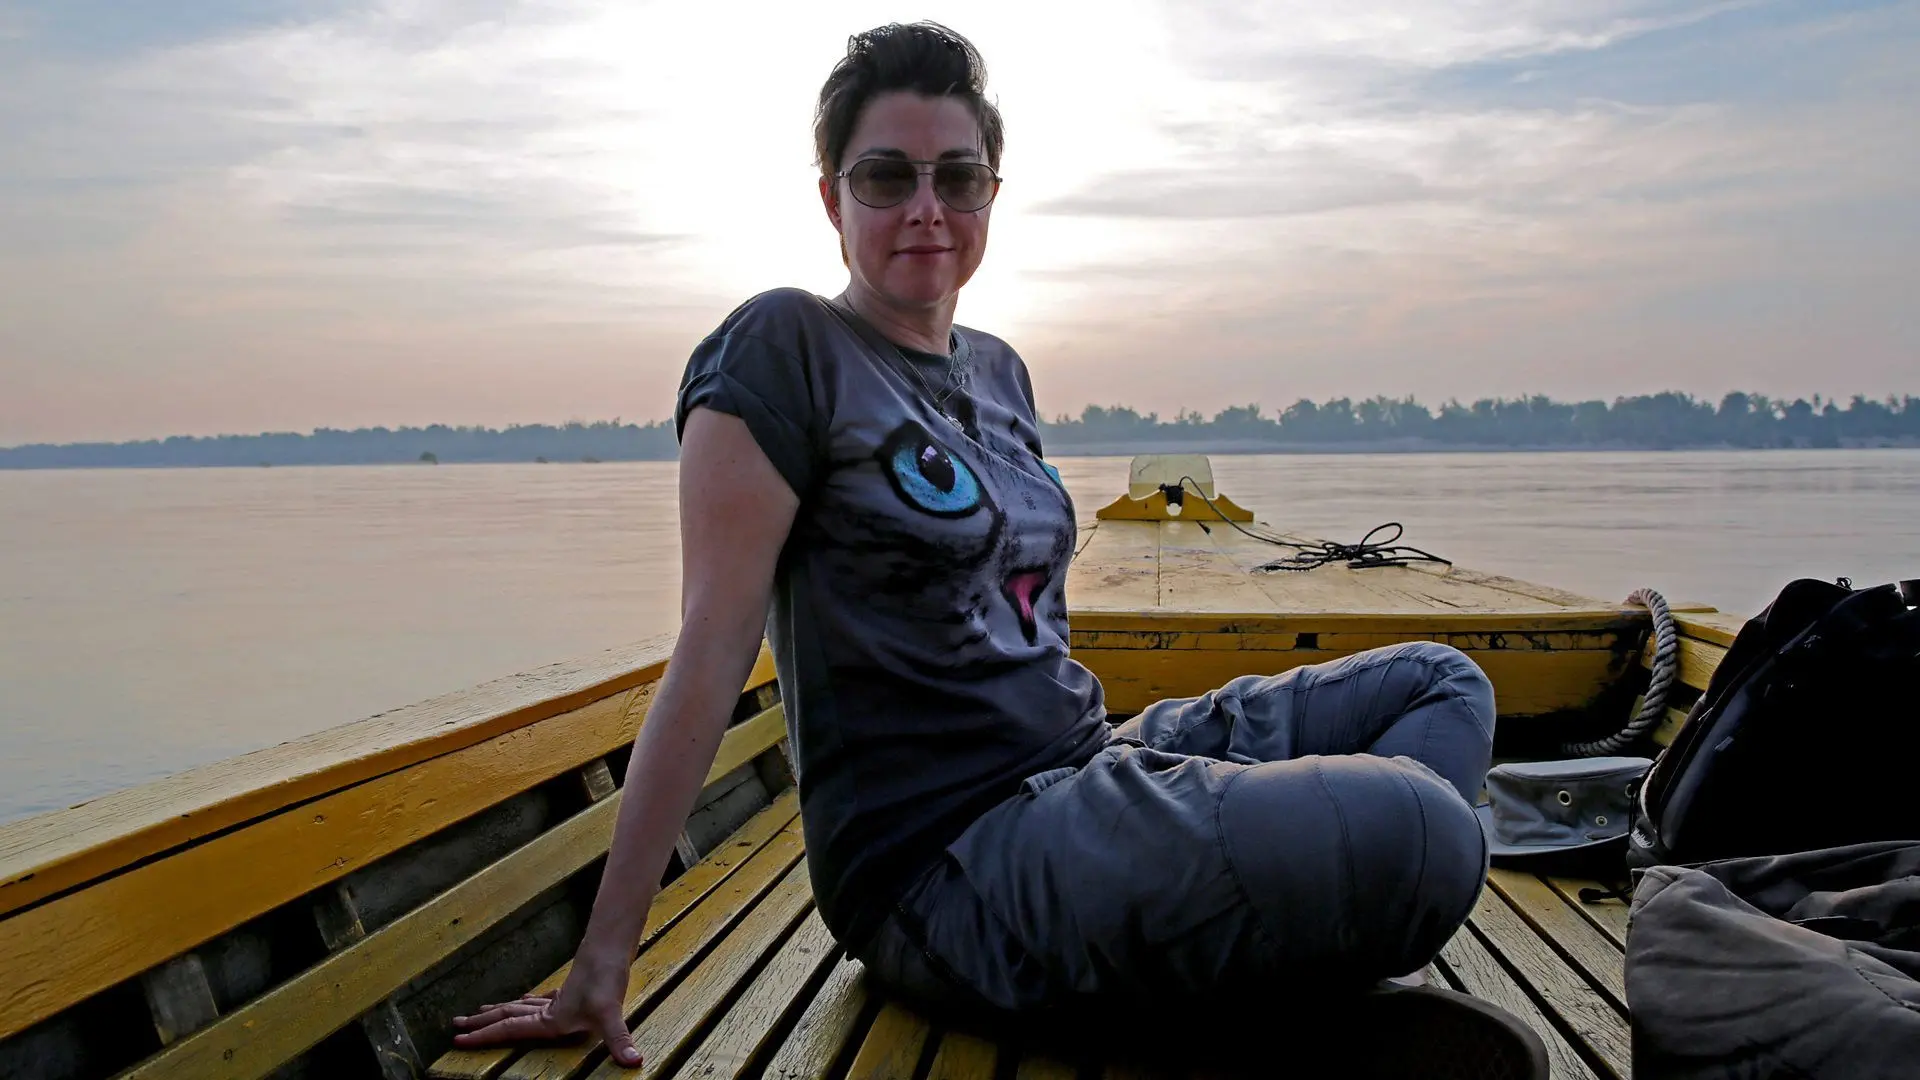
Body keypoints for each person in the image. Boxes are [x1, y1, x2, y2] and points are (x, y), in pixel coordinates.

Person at [452, 20, 1541, 1074]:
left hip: (1086, 765)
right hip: (947, 860)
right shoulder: (785, 349)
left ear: (990, 197)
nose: (926, 208)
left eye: (957, 178)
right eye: (888, 178)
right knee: (1424, 833)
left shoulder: (1002, 370)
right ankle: (1311, 955)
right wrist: (600, 965)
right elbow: (712, 644)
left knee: (1445, 685)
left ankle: (1300, 945)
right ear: (832, 197)